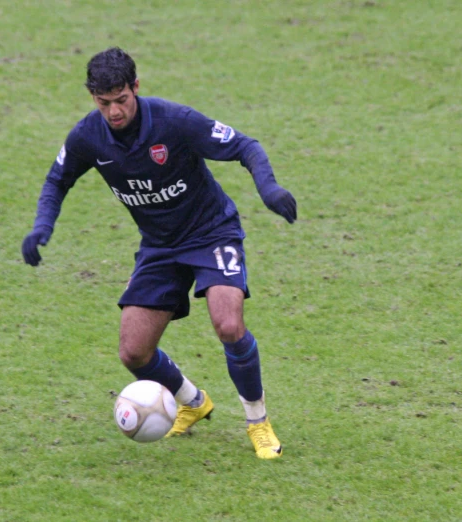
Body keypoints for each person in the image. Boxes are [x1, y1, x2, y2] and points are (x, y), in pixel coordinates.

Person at [21, 47, 296, 459]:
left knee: (228, 324)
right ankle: (192, 400)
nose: (113, 112)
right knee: (133, 352)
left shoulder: (175, 121)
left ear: (136, 87)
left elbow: (245, 146)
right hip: (159, 246)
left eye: (121, 100)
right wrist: (42, 226)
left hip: (211, 232)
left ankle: (257, 421)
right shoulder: (87, 137)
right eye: (103, 103)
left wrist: (269, 188)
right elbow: (56, 180)